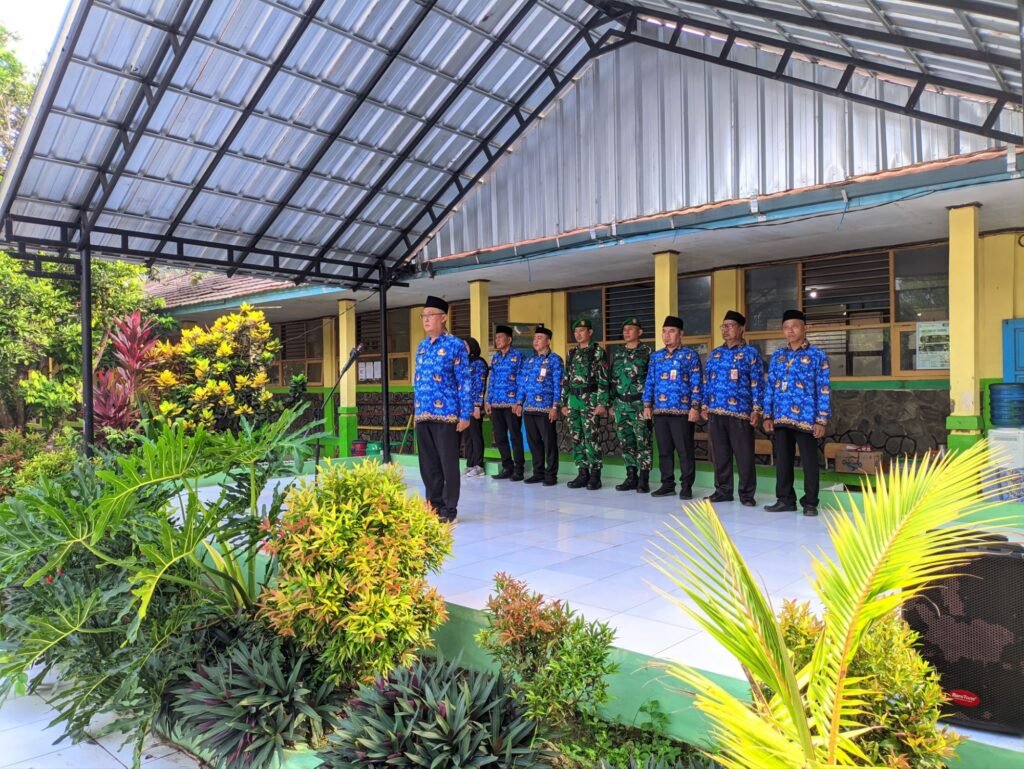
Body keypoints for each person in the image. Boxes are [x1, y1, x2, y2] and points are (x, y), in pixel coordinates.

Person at [762, 309, 832, 517]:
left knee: (809, 462)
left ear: (805, 328)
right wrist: (767, 415)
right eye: (786, 327)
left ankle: (810, 503)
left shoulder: (817, 355)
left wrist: (821, 420)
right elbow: (771, 386)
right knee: (783, 461)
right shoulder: (778, 356)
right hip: (781, 416)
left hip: (806, 418)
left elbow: (824, 389)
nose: (790, 330)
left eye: (794, 326)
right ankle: (785, 500)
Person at [413, 296, 472, 523]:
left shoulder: (455, 345)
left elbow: (464, 381)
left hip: (447, 414)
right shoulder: (422, 347)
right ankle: (434, 505)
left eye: (431, 315)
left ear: (444, 318)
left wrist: (465, 414)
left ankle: (449, 509)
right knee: (428, 466)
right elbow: (417, 381)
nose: (426, 319)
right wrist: (416, 410)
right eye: (424, 315)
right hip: (423, 414)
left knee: (448, 465)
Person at [701, 310, 765, 507]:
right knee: (720, 455)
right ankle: (723, 491)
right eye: (723, 326)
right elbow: (707, 382)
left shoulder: (751, 353)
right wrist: (704, 404)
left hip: (741, 413)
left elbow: (757, 383)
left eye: (730, 326)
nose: (726, 330)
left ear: (741, 328)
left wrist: (757, 409)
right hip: (716, 411)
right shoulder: (715, 354)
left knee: (744, 456)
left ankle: (747, 494)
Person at [642, 315, 703, 499]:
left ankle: (686, 486)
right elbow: (650, 381)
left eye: (671, 331)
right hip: (660, 411)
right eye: (664, 331)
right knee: (664, 451)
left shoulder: (690, 355)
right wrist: (647, 404)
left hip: (682, 412)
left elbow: (697, 383)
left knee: (685, 451)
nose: (667, 335)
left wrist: (695, 407)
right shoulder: (656, 356)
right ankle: (667, 484)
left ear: (681, 334)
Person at [562, 317, 609, 490]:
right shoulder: (571, 353)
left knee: (591, 438)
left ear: (590, 332)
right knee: (576, 437)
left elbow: (603, 379)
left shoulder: (598, 352)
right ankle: (582, 473)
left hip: (590, 400)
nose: (578, 334)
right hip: (573, 401)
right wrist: (563, 402)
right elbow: (566, 379)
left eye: (581, 331)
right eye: (575, 331)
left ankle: (595, 475)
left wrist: (602, 403)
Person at [609, 316, 653, 492]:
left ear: (640, 332)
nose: (626, 332)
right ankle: (631, 477)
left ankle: (644, 479)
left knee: (643, 442)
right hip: (620, 405)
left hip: (639, 405)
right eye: (624, 329)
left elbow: (652, 380)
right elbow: (612, 379)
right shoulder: (618, 352)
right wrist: (611, 402)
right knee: (626, 442)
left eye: (630, 329)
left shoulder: (647, 352)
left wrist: (649, 404)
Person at [515, 326, 563, 486]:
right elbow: (522, 384)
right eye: (535, 338)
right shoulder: (529, 360)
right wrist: (519, 402)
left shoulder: (555, 360)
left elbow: (558, 385)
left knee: (549, 443)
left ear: (548, 341)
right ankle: (538, 472)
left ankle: (551, 475)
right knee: (534, 442)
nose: (536, 341)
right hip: (529, 408)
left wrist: (555, 406)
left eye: (540, 338)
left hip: (546, 408)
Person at [486, 324, 525, 481]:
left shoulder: (518, 356)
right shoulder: (495, 358)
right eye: (496, 338)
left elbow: (522, 380)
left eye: (500, 337)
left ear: (509, 339)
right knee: (500, 437)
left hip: (511, 404)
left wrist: (519, 401)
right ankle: (507, 467)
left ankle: (519, 469)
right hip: (496, 404)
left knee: (515, 436)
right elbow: (492, 380)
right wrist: (488, 400)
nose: (497, 340)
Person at [461, 336, 488, 478]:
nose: (463, 348)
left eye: (466, 345)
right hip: (464, 406)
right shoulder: (463, 363)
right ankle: (470, 464)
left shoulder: (479, 363)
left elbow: (480, 385)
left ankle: (479, 465)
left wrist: (478, 405)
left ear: (472, 346)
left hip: (474, 406)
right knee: (467, 437)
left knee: (475, 435)